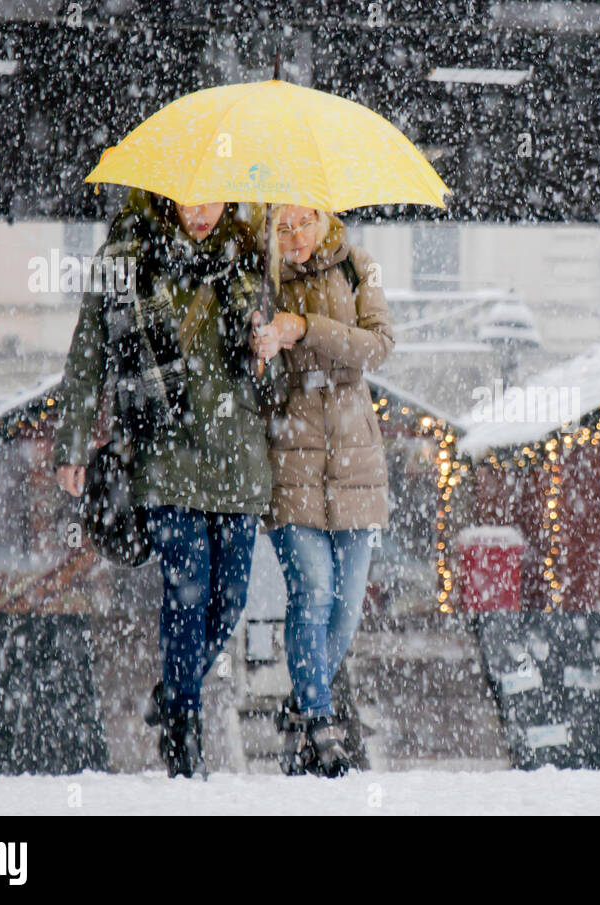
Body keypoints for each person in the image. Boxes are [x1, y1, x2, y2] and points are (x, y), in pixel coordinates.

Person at [53, 189, 271, 778]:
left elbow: (270, 367)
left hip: (235, 454)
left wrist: (264, 335)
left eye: (213, 201)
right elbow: (87, 356)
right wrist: (71, 442)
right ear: (163, 194)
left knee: (228, 602)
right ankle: (183, 731)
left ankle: (176, 690)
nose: (202, 214)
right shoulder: (124, 257)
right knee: (189, 587)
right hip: (162, 451)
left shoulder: (251, 255)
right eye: (190, 201)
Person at [249, 204, 393, 777]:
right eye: (281, 227)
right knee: (312, 591)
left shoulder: (360, 267)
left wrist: (305, 328)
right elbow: (249, 377)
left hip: (357, 461)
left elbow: (378, 345)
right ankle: (319, 719)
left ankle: (302, 703)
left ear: (325, 217)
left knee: (347, 609)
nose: (295, 236)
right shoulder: (260, 282)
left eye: (304, 221)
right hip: (293, 461)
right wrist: (264, 348)